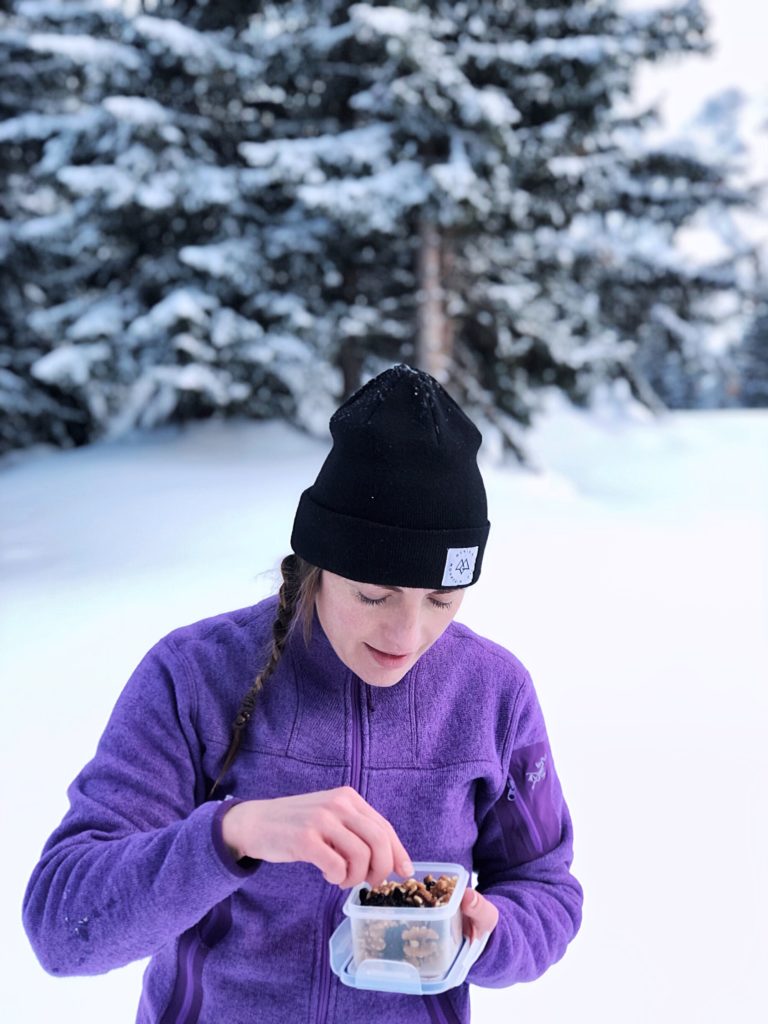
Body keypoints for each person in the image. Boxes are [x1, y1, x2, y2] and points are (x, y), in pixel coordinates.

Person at [23, 363, 583, 1024]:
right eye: (374, 594)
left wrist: (490, 935)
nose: (408, 634)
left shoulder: (494, 694)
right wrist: (235, 833)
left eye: (441, 599)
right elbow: (63, 927)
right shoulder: (193, 675)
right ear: (319, 564)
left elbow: (546, 888)